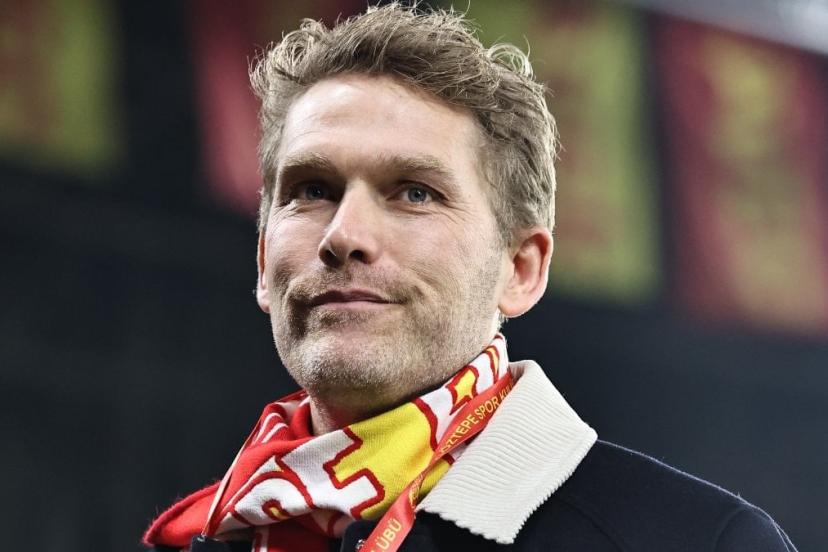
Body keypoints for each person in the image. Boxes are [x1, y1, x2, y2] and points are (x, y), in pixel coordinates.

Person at [144, 4, 796, 551]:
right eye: (312, 189)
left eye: (415, 193)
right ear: (263, 264)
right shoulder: (195, 537)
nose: (344, 234)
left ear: (521, 269)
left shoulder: (700, 541)